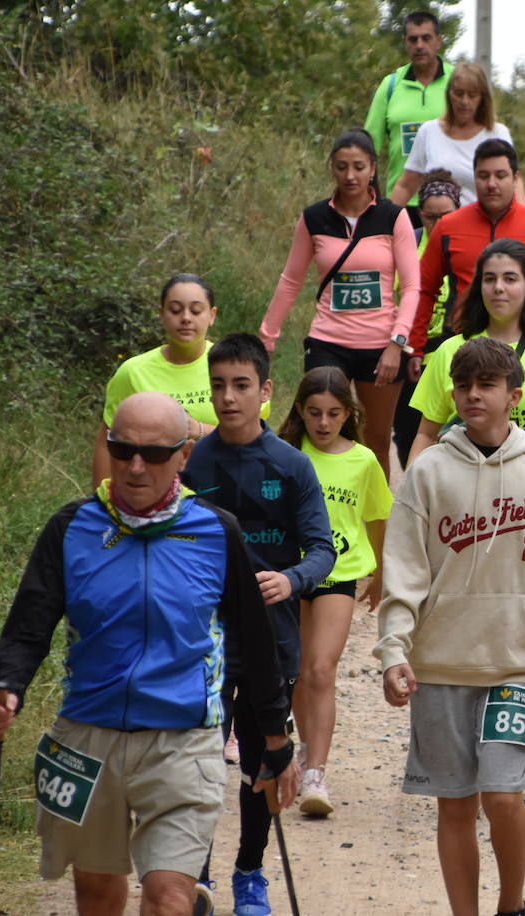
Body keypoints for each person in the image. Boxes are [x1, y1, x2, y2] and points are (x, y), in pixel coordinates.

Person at [0, 392, 298, 916]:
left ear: (183, 456)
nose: (133, 466)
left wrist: (274, 736)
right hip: (87, 738)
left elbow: (255, 640)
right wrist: (7, 687)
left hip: (184, 739)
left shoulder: (217, 531)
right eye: (120, 448)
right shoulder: (71, 528)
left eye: (152, 454)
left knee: (170, 898)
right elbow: (29, 624)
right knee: (99, 898)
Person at [375, 337, 525, 916]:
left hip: (515, 663)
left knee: (503, 794)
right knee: (454, 805)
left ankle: (510, 906)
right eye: (463, 385)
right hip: (438, 664)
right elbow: (403, 569)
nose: (473, 395)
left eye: (487, 385)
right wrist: (393, 650)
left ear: (513, 395)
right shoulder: (427, 472)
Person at [181, 333, 335, 916]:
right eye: (218, 386)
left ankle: (249, 870)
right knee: (196, 754)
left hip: (273, 638)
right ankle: (195, 875)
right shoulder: (194, 460)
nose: (228, 397)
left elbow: (322, 550)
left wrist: (290, 580)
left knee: (261, 760)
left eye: (241, 385)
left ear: (266, 391)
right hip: (206, 637)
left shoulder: (292, 466)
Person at [259, 128, 419, 479]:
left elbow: (411, 286)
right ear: (331, 168)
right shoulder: (314, 218)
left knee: (376, 440)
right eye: (342, 166)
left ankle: (377, 526)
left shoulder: (393, 217)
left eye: (359, 167)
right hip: (328, 341)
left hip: (381, 347)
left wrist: (398, 342)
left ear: (373, 168)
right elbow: (291, 280)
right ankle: (320, 513)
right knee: (318, 433)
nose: (350, 176)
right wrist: (266, 337)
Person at [277, 366, 392, 818]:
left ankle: (314, 774)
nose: (323, 424)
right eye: (314, 413)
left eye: (333, 413)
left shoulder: (363, 461)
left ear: (348, 413)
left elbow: (378, 517)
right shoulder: (284, 454)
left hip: (339, 575)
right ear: (300, 412)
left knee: (322, 669)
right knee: (297, 672)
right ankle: (303, 749)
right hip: (287, 575)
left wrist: (382, 572)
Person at [408, 238, 525, 506]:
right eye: (489, 279)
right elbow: (426, 433)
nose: (498, 288)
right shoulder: (451, 350)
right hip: (460, 500)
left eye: (510, 279)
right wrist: (411, 497)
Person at [407, 138, 525, 360]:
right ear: (474, 177)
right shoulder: (448, 227)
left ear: (515, 178)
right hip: (464, 345)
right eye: (483, 176)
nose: (491, 184)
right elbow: (424, 289)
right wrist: (415, 347)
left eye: (500, 175)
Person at [94, 274, 266, 491]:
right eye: (175, 310)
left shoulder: (236, 367)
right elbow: (108, 441)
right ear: (161, 314)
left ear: (212, 315)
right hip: (152, 495)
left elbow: (257, 438)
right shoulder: (133, 372)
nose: (186, 318)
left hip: (230, 489)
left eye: (196, 311)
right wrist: (102, 502)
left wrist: (198, 430)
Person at [394, 170, 463, 468]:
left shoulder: (468, 248)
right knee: (409, 431)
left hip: (455, 354)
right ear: (419, 214)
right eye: (430, 216)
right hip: (412, 357)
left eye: (445, 216)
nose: (437, 224)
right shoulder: (406, 246)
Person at [388, 62, 525, 209]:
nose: (464, 102)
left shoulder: (497, 133)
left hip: (485, 226)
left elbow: (514, 182)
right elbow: (406, 185)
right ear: (449, 94)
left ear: (482, 98)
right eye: (459, 94)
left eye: (472, 95)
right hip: (439, 225)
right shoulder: (428, 132)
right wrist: (385, 222)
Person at [365, 10, 451, 210]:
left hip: (450, 204)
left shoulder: (457, 84)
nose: (419, 45)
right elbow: (368, 149)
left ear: (438, 41)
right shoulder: (390, 86)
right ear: (405, 42)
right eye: (413, 39)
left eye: (426, 38)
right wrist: (372, 201)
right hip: (402, 203)